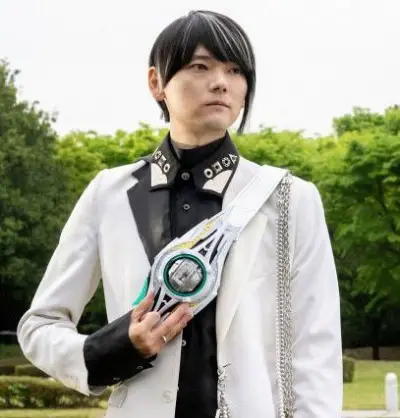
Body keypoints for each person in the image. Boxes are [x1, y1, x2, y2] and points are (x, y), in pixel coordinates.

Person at [17, 9, 343, 418]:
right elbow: (40, 325)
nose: (221, 82)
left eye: (235, 70)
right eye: (200, 66)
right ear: (157, 82)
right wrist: (117, 348)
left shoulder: (289, 198)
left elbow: (316, 345)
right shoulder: (109, 194)